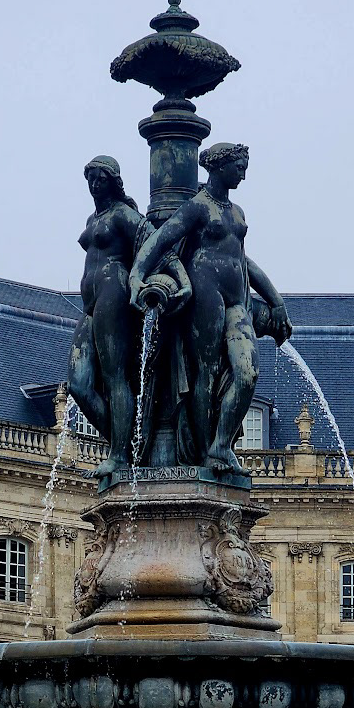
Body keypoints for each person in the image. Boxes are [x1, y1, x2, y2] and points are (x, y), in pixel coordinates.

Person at [129, 142, 292, 474]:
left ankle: (221, 443)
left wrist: (275, 301)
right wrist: (136, 275)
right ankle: (208, 452)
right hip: (206, 295)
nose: (244, 172)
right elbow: (160, 241)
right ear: (220, 166)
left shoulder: (237, 212)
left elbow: (243, 260)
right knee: (206, 374)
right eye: (239, 166)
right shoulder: (197, 207)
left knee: (247, 373)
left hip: (237, 300)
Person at [68, 156, 146, 478]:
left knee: (115, 376)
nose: (94, 184)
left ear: (113, 181)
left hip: (115, 290)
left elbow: (150, 239)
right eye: (90, 178)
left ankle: (118, 454)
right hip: (90, 302)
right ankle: (125, 445)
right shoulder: (93, 217)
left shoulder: (124, 214)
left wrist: (141, 279)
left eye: (101, 178)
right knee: (78, 383)